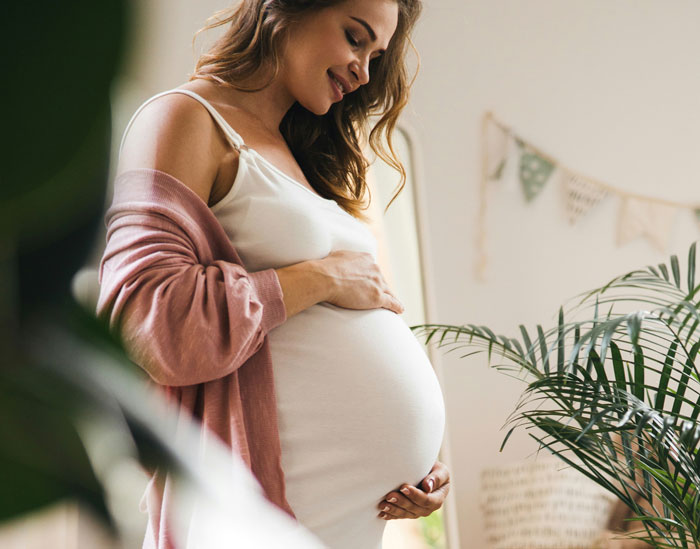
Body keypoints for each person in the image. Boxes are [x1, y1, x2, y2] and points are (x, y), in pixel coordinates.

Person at [99, 0, 449, 547]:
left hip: (344, 520)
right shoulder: (186, 117)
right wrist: (325, 278)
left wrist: (420, 463)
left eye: (376, 56)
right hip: (256, 511)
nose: (363, 69)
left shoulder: (298, 155)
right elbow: (145, 320)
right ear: (281, 9)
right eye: (355, 38)